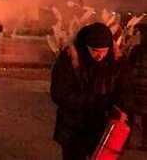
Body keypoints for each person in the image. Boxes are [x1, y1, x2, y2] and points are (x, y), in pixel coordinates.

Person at [51, 22, 128, 160]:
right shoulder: (69, 59)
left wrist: (120, 107)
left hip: (102, 127)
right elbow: (59, 94)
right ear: (85, 47)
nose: (100, 56)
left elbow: (123, 89)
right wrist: (95, 101)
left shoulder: (116, 61)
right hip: (73, 127)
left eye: (104, 50)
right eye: (95, 51)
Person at [127, 22, 147, 150]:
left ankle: (126, 141)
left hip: (135, 89)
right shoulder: (136, 50)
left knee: (130, 115)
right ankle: (144, 143)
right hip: (136, 89)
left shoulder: (136, 50)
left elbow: (128, 67)